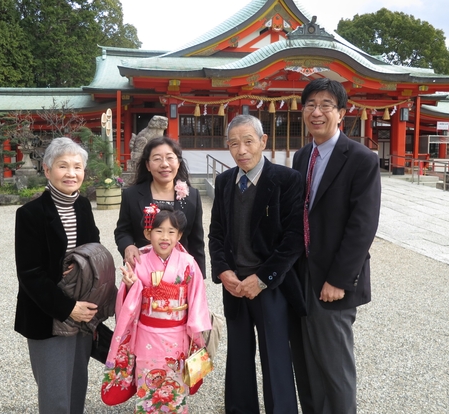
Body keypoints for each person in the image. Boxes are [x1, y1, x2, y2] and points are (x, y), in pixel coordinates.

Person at [291, 78, 381, 414]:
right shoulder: (302, 157)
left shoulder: (360, 159)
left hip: (333, 281)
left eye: (326, 105)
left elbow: (363, 225)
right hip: (303, 276)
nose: (317, 112)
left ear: (341, 113)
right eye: (310, 104)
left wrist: (339, 280)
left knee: (335, 367)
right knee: (308, 363)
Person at [208, 114, 305, 414]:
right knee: (238, 354)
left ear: (263, 141)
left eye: (248, 141)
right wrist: (223, 271)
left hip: (270, 285)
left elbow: (294, 238)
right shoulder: (225, 181)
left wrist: (262, 278)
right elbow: (217, 233)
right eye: (234, 144)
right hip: (234, 284)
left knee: (275, 355)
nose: (242, 150)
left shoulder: (286, 179)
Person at [14, 137, 103, 414]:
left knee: (77, 387)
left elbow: (95, 252)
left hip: (83, 313)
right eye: (63, 166)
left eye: (77, 166)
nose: (71, 173)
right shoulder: (30, 214)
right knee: (55, 395)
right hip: (48, 314)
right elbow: (30, 274)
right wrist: (69, 308)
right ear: (47, 169)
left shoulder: (83, 207)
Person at [103, 206, 211, 412]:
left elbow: (197, 300)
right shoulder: (139, 260)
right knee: (148, 387)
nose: (165, 237)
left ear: (179, 235)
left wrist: (196, 336)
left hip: (178, 337)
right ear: (147, 233)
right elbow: (128, 303)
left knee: (176, 388)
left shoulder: (188, 263)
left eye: (172, 232)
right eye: (159, 231)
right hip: (147, 336)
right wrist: (130, 286)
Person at [115, 137, 206, 277]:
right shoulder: (131, 195)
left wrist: (199, 278)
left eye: (170, 158)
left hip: (181, 274)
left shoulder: (192, 196)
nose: (164, 164)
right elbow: (122, 231)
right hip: (143, 272)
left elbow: (196, 242)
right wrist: (128, 246)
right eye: (157, 159)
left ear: (178, 162)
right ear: (148, 165)